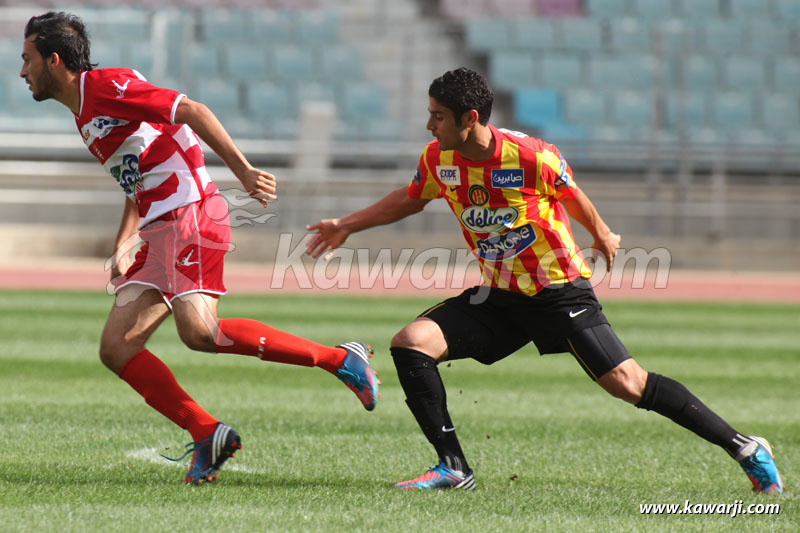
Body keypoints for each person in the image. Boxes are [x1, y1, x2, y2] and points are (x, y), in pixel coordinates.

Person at [306, 67, 783, 493]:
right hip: (499, 295)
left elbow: (571, 193)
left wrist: (601, 233)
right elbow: (412, 198)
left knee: (626, 383)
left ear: (469, 117)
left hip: (558, 292)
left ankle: (745, 447)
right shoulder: (438, 158)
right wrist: (347, 223)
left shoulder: (531, 156)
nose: (429, 126)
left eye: (437, 117)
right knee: (412, 343)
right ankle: (452, 467)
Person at [20, 11, 379, 485]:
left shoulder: (106, 86)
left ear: (54, 59)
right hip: (161, 226)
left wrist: (244, 171)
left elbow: (193, 110)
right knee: (117, 348)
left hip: (190, 215)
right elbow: (139, 173)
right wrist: (126, 237)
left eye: (26, 60)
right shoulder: (85, 111)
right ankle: (207, 430)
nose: (22, 71)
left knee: (201, 333)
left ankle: (339, 360)